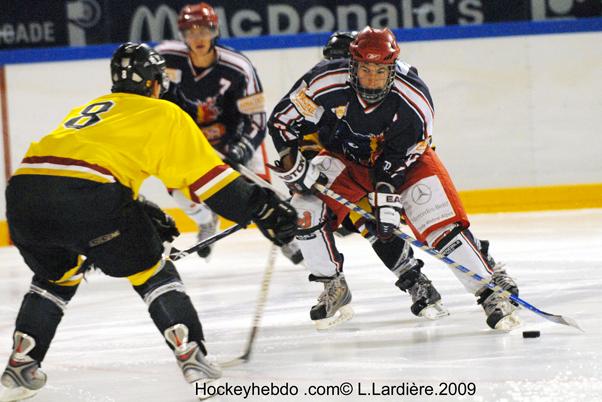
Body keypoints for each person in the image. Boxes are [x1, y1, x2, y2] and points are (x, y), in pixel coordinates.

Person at [0, 42, 297, 401]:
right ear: (156, 83)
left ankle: (21, 364)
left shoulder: (90, 108)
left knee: (56, 277)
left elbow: (75, 169)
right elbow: (214, 184)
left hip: (23, 197)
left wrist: (131, 205)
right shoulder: (164, 113)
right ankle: (193, 357)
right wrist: (264, 209)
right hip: (90, 197)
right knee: (153, 271)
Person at [267, 26, 521, 331]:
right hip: (347, 160)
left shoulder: (414, 99)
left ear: (391, 69)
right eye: (365, 69)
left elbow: (403, 154)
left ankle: (490, 291)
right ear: (351, 65)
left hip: (406, 163)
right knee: (304, 208)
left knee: (440, 228)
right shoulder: (324, 83)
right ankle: (332, 284)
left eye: (379, 70)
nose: (371, 77)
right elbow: (281, 122)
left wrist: (385, 196)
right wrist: (293, 164)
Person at [154, 2, 303, 264]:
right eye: (191, 31)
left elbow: (255, 118)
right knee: (176, 188)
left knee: (258, 197)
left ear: (214, 31)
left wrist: (242, 148)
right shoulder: (166, 59)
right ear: (182, 35)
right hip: (194, 144)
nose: (198, 38)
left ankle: (285, 238)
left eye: (203, 30)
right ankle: (205, 219)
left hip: (234, 137)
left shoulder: (237, 67)